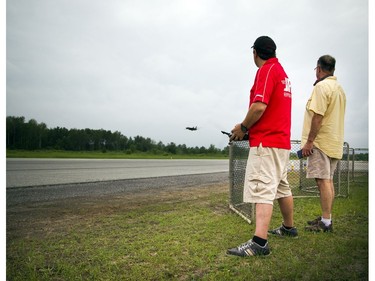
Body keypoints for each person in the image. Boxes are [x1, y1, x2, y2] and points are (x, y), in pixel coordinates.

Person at [227, 36, 297, 257]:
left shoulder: (266, 71)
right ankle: (288, 228)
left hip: (267, 142)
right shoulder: (282, 72)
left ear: (255, 53)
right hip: (281, 142)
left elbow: (259, 107)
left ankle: (259, 243)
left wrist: (243, 128)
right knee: (281, 187)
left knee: (262, 189)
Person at [301, 55, 346, 232]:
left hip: (320, 142)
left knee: (323, 181)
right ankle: (326, 217)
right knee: (328, 181)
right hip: (334, 141)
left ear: (319, 69)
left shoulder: (321, 87)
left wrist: (309, 142)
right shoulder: (339, 88)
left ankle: (326, 222)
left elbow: (318, 117)